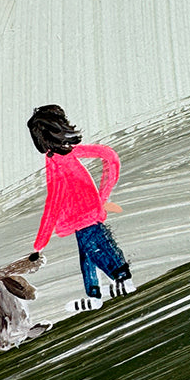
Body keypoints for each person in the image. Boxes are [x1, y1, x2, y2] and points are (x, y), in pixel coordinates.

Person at [27, 104, 134, 307]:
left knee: (93, 252)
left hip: (80, 217)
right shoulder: (69, 154)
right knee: (89, 254)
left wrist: (40, 244)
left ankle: (121, 281)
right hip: (86, 215)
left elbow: (53, 202)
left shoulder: (56, 163)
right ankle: (95, 295)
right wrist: (102, 196)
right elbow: (110, 156)